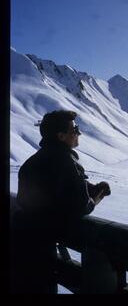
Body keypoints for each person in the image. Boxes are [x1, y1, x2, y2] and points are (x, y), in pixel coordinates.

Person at [10, 110, 111, 294]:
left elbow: (54, 189)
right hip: (40, 252)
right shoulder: (66, 162)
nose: (79, 133)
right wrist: (97, 197)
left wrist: (87, 187)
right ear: (61, 136)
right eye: (75, 129)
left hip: (19, 242)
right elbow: (80, 206)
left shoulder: (33, 161)